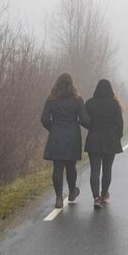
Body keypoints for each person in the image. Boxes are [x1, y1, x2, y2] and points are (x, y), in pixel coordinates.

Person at [41, 73, 90, 208]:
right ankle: (72, 191)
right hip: (72, 136)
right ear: (71, 84)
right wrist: (94, 127)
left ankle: (58, 198)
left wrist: (53, 128)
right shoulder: (77, 99)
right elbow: (84, 119)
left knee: (57, 167)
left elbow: (44, 119)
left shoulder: (51, 99)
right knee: (71, 166)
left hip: (56, 136)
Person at [85, 79, 124, 209]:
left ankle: (95, 197)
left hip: (94, 139)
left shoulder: (89, 103)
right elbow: (120, 124)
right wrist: (117, 136)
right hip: (110, 140)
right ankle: (103, 195)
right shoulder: (115, 105)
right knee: (107, 169)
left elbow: (84, 120)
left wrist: (92, 128)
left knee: (95, 170)